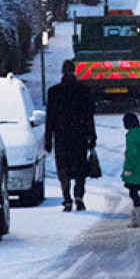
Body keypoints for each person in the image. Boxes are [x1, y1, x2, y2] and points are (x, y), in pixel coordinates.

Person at [45, 60, 97, 212]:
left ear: (62, 71)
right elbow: (89, 116)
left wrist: (48, 138)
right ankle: (79, 197)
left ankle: (67, 198)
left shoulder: (54, 92)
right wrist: (92, 136)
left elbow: (50, 117)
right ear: (74, 71)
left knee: (63, 167)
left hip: (61, 136)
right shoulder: (83, 91)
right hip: (79, 136)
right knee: (80, 167)